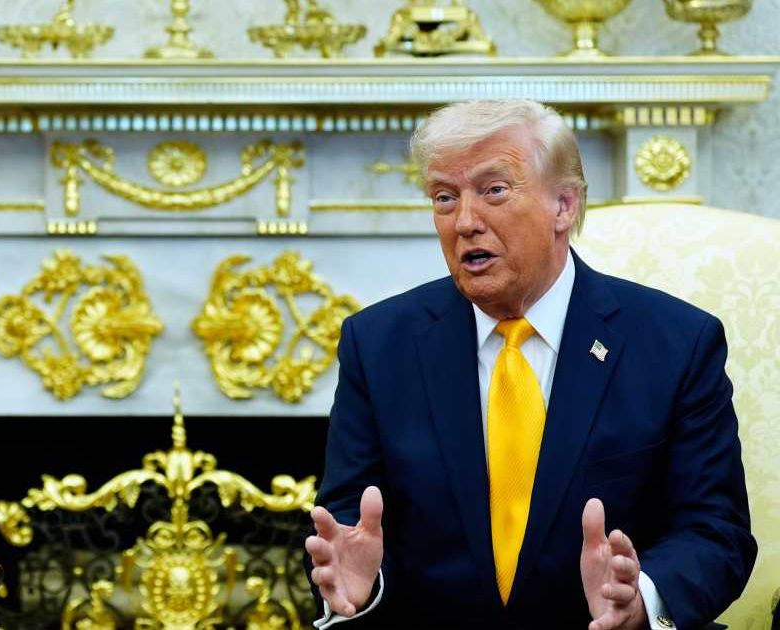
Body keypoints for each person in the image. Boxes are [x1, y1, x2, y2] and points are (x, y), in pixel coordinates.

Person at [305, 100, 755, 630]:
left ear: (563, 205)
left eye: (494, 191)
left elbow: (715, 529)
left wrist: (641, 599)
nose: (465, 222)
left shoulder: (676, 342)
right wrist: (365, 588)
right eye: (444, 198)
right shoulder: (378, 344)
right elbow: (349, 527)